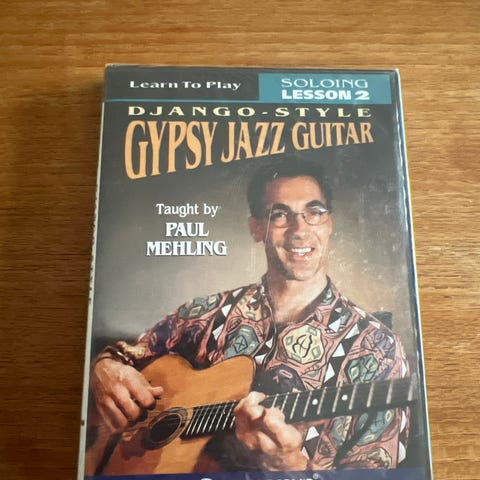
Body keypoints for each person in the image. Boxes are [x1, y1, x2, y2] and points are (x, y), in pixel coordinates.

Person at [89, 158, 410, 472]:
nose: (300, 230)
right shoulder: (205, 314)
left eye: (314, 212)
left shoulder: (379, 350)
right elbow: (126, 355)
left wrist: (293, 466)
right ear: (256, 228)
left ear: (329, 224)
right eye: (280, 215)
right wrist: (103, 368)